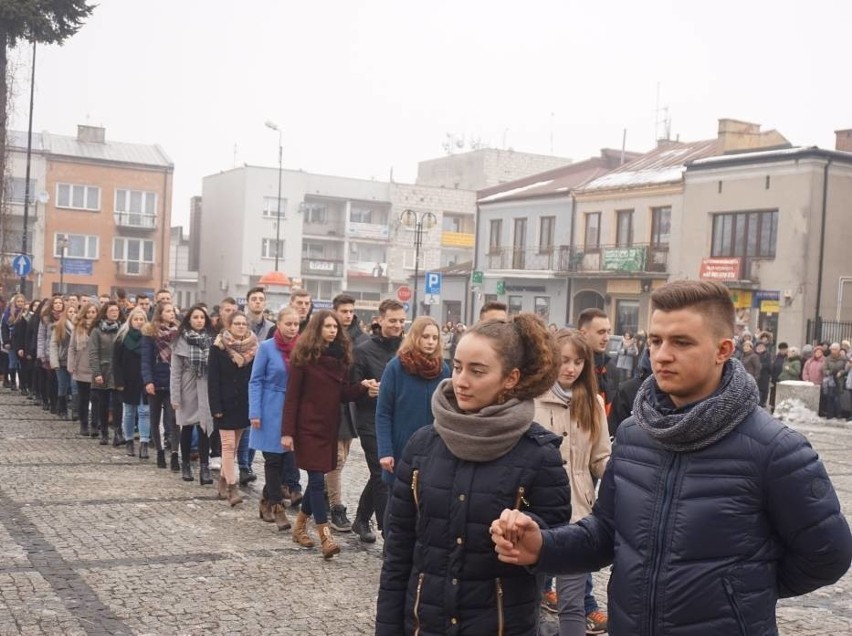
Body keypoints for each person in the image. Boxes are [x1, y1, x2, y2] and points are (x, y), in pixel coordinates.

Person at [491, 280, 852, 635]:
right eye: (655, 340)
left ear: (723, 349)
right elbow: (606, 532)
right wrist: (544, 545)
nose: (661, 354)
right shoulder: (635, 434)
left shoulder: (775, 448)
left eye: (681, 342)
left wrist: (742, 591)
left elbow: (827, 555)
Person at [375, 313, 572, 635]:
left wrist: (530, 533)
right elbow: (397, 553)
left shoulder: (539, 455)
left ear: (511, 378)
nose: (461, 381)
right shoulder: (422, 445)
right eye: (457, 367)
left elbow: (557, 548)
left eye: (477, 371)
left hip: (501, 624)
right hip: (424, 624)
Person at [533, 329, 611, 635]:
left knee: (573, 603)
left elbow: (600, 459)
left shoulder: (593, 403)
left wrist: (625, 472)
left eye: (578, 361)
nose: (571, 368)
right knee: (528, 600)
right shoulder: (531, 400)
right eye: (564, 360)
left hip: (579, 514)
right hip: (536, 513)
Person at [282, 310, 374, 558]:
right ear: (317, 328)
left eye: (335, 327)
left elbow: (342, 394)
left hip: (329, 428)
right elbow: (292, 397)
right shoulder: (303, 357)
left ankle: (300, 525)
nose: (333, 330)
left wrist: (362, 388)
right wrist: (287, 432)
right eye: (328, 326)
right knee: (315, 481)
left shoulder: (341, 358)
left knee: (318, 480)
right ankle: (325, 536)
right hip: (306, 427)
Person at [351, 299, 406, 543]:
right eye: (392, 320)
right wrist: (365, 388)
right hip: (370, 418)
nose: (397, 325)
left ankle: (361, 518)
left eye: (401, 321)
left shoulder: (407, 349)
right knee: (381, 471)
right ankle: (388, 533)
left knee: (380, 474)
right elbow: (350, 387)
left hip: (398, 419)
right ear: (380, 320)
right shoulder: (363, 350)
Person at [376, 316, 450, 491]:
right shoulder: (395, 367)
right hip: (401, 446)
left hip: (433, 449)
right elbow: (383, 412)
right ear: (415, 336)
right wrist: (385, 451)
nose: (430, 342)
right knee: (397, 504)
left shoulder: (443, 369)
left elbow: (448, 411)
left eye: (435, 337)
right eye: (425, 336)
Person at [575, 307, 615, 631]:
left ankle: (585, 604)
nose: (607, 336)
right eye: (601, 331)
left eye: (608, 331)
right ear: (583, 331)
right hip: (551, 478)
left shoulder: (606, 370)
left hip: (586, 473)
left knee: (580, 536)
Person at [249, 306, 300, 530]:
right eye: (288, 324)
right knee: (273, 460)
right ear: (278, 324)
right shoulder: (267, 348)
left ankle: (265, 499)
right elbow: (256, 380)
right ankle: (277, 507)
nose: (292, 328)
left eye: (296, 324)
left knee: (288, 459)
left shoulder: (301, 349)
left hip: (292, 410)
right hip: (269, 408)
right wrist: (255, 412)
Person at [208, 311, 258, 505]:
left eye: (244, 323)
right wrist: (215, 407)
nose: (240, 326)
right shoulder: (218, 347)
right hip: (224, 404)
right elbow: (213, 380)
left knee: (234, 448)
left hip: (243, 404)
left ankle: (222, 481)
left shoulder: (253, 348)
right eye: (236, 323)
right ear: (228, 325)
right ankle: (232, 486)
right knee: (228, 447)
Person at [327, 293, 367, 532]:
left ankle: (323, 493)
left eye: (351, 311)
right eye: (344, 311)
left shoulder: (360, 338)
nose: (348, 315)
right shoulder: (326, 336)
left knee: (343, 456)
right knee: (336, 459)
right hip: (330, 404)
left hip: (351, 402)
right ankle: (336, 506)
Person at [170, 304, 216, 485]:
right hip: (187, 386)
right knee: (187, 426)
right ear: (189, 320)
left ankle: (205, 467)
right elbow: (175, 371)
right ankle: (186, 464)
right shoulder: (180, 340)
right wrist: (175, 397)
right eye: (195, 317)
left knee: (204, 427)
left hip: (205, 386)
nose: (199, 320)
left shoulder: (212, 339)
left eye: (202, 317)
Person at [141, 301, 180, 470]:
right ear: (160, 313)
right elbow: (146, 360)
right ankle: (159, 452)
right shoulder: (150, 333)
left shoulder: (178, 333)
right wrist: (148, 380)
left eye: (173, 311)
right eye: (168, 311)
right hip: (156, 381)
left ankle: (174, 454)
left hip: (172, 381)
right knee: (155, 419)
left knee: (174, 419)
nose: (172, 314)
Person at [113, 308, 151, 459]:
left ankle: (144, 443)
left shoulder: (149, 338)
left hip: (144, 379)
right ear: (130, 321)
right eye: (136, 319)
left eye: (141, 319)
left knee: (144, 412)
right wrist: (119, 381)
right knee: (129, 412)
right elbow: (116, 362)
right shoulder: (122, 338)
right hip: (127, 380)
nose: (139, 322)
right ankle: (129, 440)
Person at [88, 301, 124, 446]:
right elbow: (93, 353)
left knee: (118, 403)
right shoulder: (97, 331)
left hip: (118, 371)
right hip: (102, 370)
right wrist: (96, 372)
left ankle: (117, 432)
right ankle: (103, 432)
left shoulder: (122, 329)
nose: (114, 313)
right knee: (102, 403)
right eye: (112, 310)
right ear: (105, 312)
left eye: (116, 310)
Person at [68, 302, 98, 437]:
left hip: (95, 368)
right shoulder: (78, 328)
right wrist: (71, 364)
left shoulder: (99, 328)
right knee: (83, 398)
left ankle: (94, 424)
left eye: (93, 312)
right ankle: (84, 423)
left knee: (96, 398)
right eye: (89, 312)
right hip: (81, 366)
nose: (91, 314)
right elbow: (72, 347)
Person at [48, 303, 77, 419]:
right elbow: (53, 344)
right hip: (61, 361)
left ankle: (75, 411)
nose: (72, 314)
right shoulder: (59, 326)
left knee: (74, 386)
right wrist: (54, 362)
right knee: (63, 386)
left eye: (74, 312)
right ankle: (62, 410)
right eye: (70, 312)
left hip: (74, 362)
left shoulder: (79, 326)